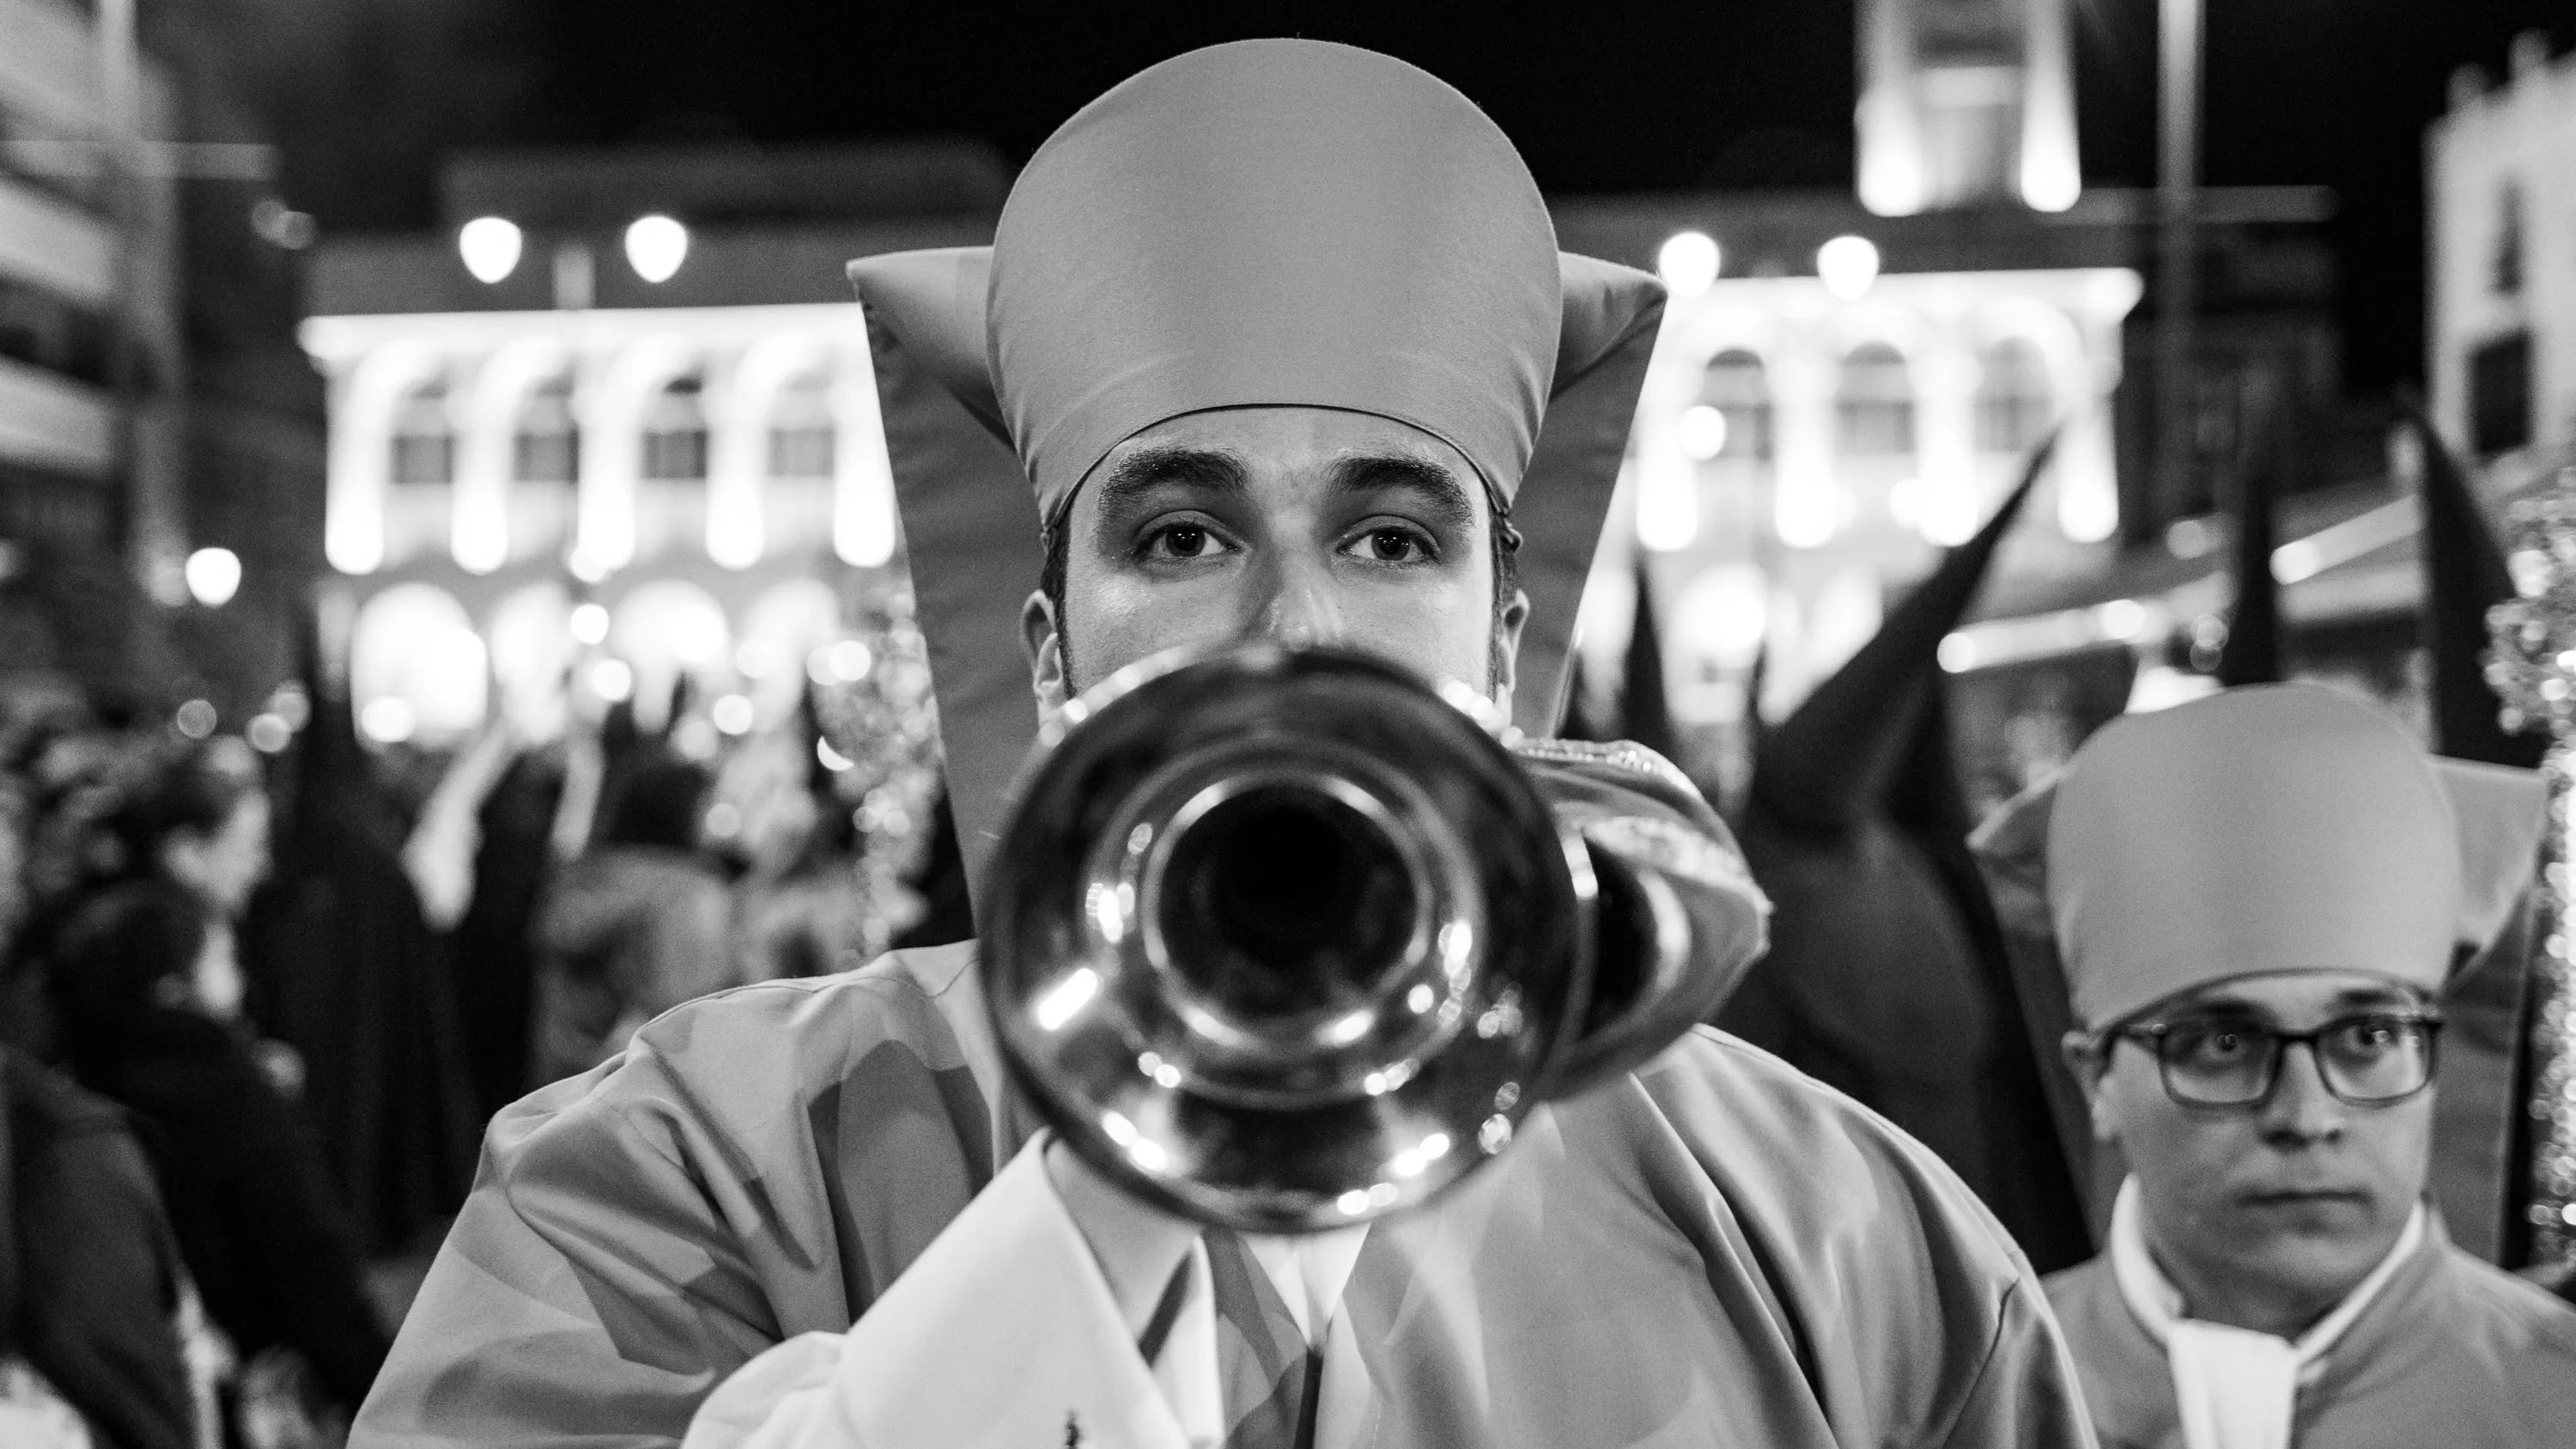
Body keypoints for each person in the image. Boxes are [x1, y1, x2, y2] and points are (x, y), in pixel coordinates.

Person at [355, 40, 2091, 1448]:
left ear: (1502, 641)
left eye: (1392, 540)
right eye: (1181, 539)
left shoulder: (1858, 1244)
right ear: (1050, 654)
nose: (1293, 629)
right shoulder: (684, 1165)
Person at [2002, 684, 2576, 1447]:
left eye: (2367, 1037)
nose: (2307, 1117)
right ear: (2096, 1080)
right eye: (2224, 1045)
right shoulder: (1976, 1396)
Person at [50, 848, 392, 1420]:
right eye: (223, 959)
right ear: (173, 987)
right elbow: (307, 1253)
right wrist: (376, 1381)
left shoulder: (75, 1090)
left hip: (162, 1375)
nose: (241, 976)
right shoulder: (230, 1094)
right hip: (259, 1381)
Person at [526, 754, 735, 1086]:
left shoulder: (585, 876)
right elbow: (686, 1003)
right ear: (680, 811)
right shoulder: (690, 890)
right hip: (647, 1084)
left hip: (566, 1081)